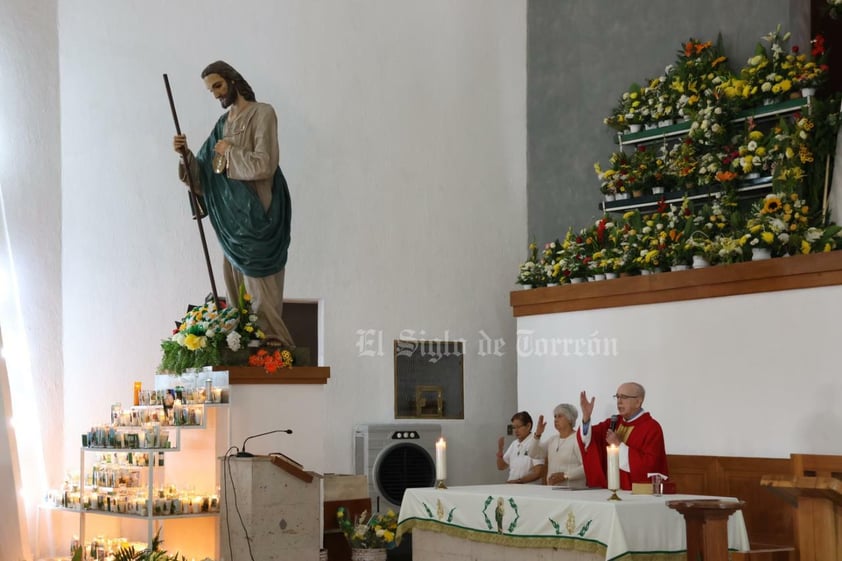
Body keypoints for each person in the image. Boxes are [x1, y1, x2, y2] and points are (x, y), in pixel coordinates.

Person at [172, 60, 294, 348]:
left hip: (258, 215)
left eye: (218, 85)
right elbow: (204, 174)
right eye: (210, 90)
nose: (215, 94)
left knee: (261, 287)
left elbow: (265, 164)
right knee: (236, 284)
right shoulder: (222, 125)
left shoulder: (262, 113)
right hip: (230, 220)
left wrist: (230, 150)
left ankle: (273, 345)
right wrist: (185, 155)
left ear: (233, 80)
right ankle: (246, 340)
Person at [577, 382, 668, 490]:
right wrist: (586, 417)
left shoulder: (651, 427)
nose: (619, 402)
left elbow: (650, 465)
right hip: (610, 490)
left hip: (637, 492)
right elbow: (589, 440)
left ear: (638, 401)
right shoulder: (613, 422)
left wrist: (618, 445)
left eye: (624, 397)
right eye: (617, 397)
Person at [529, 403, 585, 487]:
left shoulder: (578, 439)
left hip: (572, 492)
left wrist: (566, 475)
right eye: (555, 416)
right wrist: (537, 434)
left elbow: (586, 467)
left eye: (560, 416)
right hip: (553, 491)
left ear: (570, 419)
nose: (556, 419)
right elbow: (533, 453)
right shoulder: (553, 440)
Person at [496, 411, 545, 484]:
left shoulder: (536, 443)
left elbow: (538, 472)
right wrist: (500, 451)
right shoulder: (514, 444)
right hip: (512, 487)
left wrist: (519, 481)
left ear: (528, 426)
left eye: (518, 427)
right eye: (513, 427)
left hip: (528, 490)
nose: (515, 431)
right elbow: (501, 467)